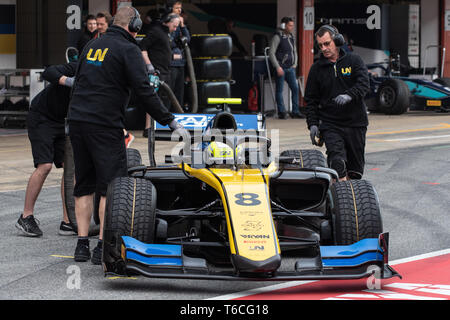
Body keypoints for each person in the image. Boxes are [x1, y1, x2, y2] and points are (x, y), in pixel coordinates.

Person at [67, 6, 184, 264]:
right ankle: (101, 248)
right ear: (135, 25)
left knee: (83, 184)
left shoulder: (92, 46)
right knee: (110, 186)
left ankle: (81, 245)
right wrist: (170, 120)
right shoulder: (128, 49)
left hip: (77, 121)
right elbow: (144, 91)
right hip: (104, 125)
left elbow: (78, 82)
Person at [16, 62, 77, 237]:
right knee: (45, 166)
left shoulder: (100, 80)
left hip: (61, 121)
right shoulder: (78, 66)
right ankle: (26, 216)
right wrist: (69, 81)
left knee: (70, 168)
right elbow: (49, 72)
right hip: (41, 117)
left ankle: (67, 221)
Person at [304, 25, 370, 181]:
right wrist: (312, 124)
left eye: (327, 43)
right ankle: (338, 200)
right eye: (320, 45)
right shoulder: (316, 69)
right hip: (331, 124)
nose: (324, 48)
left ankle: (351, 197)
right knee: (337, 165)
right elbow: (311, 100)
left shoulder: (354, 60)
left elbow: (364, 84)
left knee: (355, 173)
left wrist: (349, 95)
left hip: (356, 123)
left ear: (337, 41)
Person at [140, 13, 181, 136]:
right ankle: (148, 128)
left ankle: (159, 127)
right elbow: (142, 47)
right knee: (153, 99)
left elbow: (162, 50)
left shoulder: (167, 34)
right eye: (174, 26)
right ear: (167, 21)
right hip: (156, 72)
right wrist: (149, 66)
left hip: (166, 71)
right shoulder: (156, 31)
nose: (175, 28)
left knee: (164, 100)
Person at [269, 17, 303, 119]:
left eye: (292, 25)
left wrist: (295, 64)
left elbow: (294, 52)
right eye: (289, 25)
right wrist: (277, 66)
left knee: (295, 88)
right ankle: (281, 112)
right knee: (279, 90)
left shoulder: (291, 36)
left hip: (290, 68)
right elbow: (271, 53)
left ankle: (295, 111)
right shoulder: (277, 37)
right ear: (284, 25)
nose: (291, 27)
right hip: (281, 68)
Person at [167, 1, 190, 109]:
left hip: (180, 63)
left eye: (180, 8)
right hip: (170, 63)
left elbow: (187, 39)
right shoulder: (167, 22)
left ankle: (179, 112)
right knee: (169, 91)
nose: (179, 10)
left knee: (179, 92)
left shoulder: (180, 25)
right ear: (171, 9)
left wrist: (182, 25)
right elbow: (167, 41)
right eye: (177, 8)